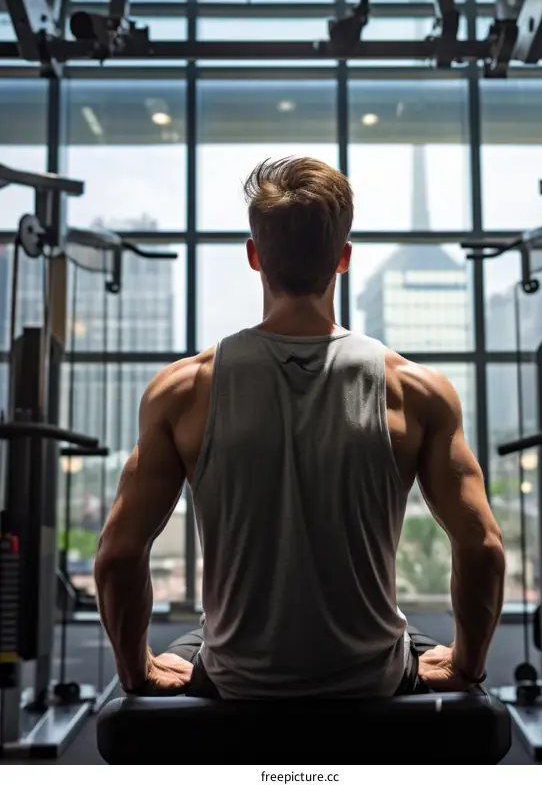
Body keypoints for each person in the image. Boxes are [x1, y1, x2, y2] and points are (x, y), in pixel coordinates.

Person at [94, 156, 505, 699]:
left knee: (189, 643)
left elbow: (118, 557)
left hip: (236, 678)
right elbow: (483, 549)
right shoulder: (416, 390)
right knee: (421, 644)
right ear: (344, 259)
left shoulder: (183, 390)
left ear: (254, 256)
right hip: (371, 677)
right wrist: (468, 668)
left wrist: (136, 671)